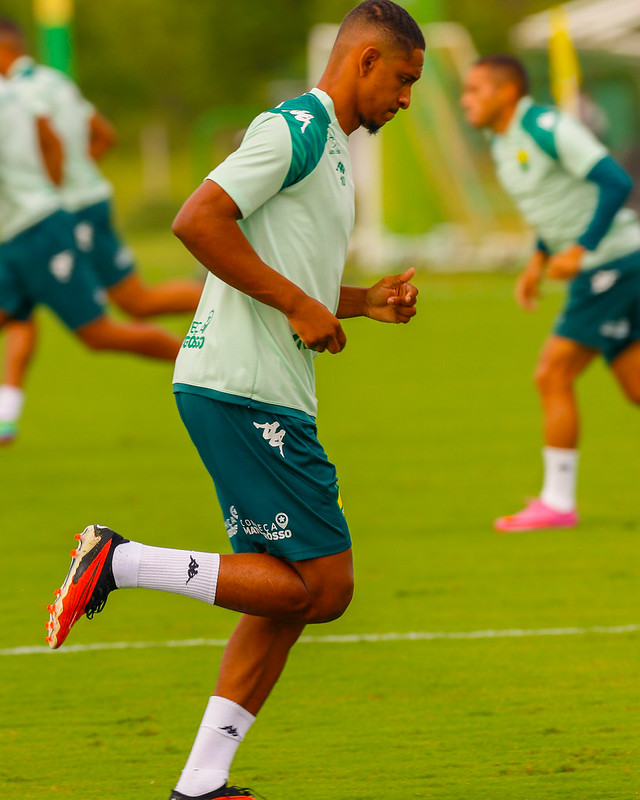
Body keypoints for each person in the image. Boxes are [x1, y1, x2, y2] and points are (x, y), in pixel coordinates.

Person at [46, 2, 424, 797]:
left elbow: (290, 270)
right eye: (403, 79)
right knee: (327, 587)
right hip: (243, 386)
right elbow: (199, 220)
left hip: (256, 387)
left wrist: (358, 301)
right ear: (363, 62)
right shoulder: (296, 129)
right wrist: (297, 304)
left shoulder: (335, 153)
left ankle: (201, 783)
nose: (406, 99)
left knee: (284, 595)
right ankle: (119, 560)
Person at [0, 17, 202, 443]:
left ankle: (209, 359)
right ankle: (8, 410)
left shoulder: (21, 92)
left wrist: (52, 188)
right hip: (49, 216)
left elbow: (50, 137)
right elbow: (100, 134)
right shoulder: (49, 82)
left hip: (51, 221)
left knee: (115, 318)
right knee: (30, 313)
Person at [461, 55, 640, 532]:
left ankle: (558, 503)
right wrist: (540, 256)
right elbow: (556, 201)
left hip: (613, 264)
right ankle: (557, 502)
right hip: (612, 264)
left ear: (507, 92)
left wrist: (581, 249)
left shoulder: (546, 125)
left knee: (552, 373)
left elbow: (616, 181)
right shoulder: (500, 141)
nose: (465, 101)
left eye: (475, 90)